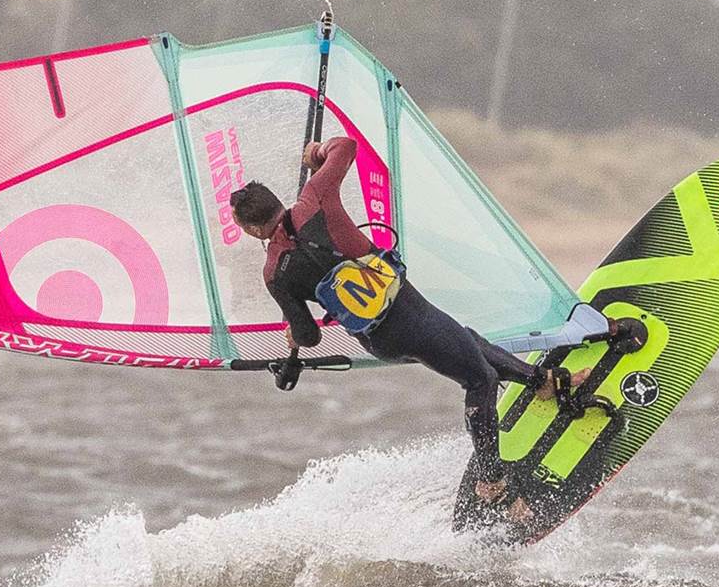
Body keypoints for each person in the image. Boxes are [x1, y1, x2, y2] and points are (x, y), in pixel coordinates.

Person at [231, 135, 576, 504]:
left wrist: (293, 336)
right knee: (480, 379)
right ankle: (491, 482)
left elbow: (309, 336)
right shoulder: (315, 195)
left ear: (253, 230)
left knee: (465, 341)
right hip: (408, 311)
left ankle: (539, 381)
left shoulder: (274, 274)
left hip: (380, 340)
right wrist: (317, 156)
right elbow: (345, 146)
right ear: (275, 202)